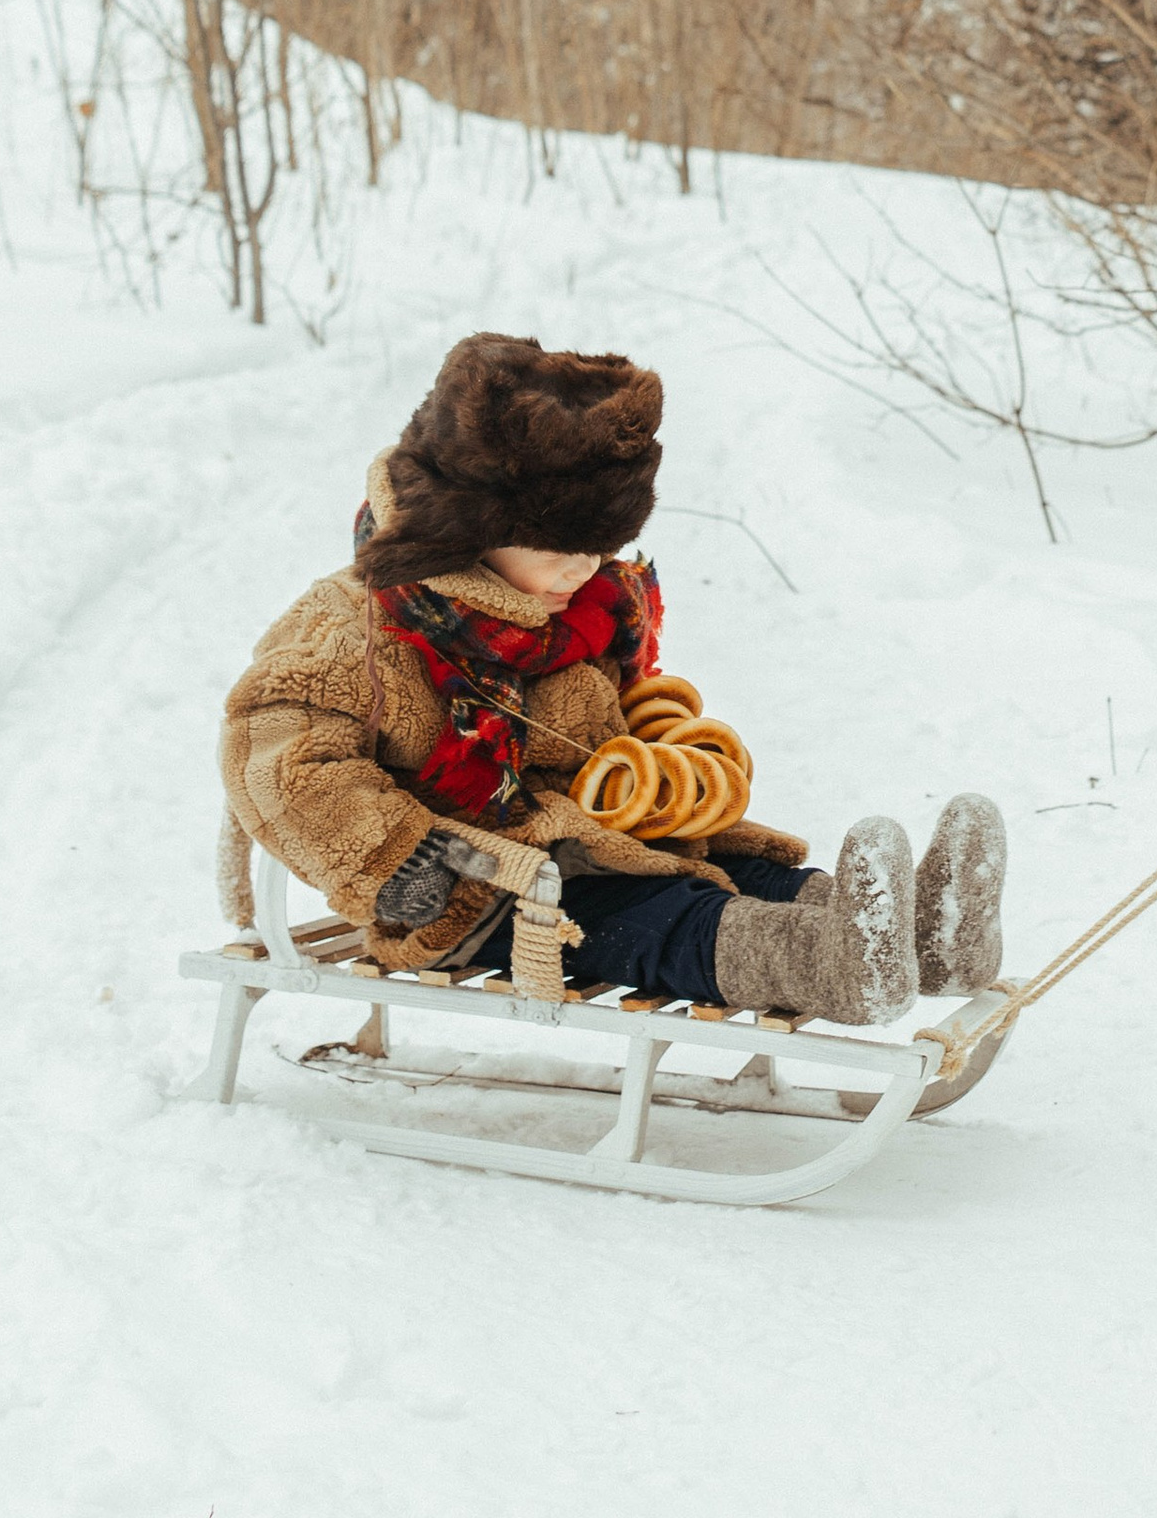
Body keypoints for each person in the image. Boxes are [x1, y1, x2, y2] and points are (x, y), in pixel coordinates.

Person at [217, 332, 1003, 1022]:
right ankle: (833, 966)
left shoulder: (571, 607)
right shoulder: (351, 629)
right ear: (473, 529)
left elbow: (617, 715)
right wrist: (395, 862)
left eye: (601, 546)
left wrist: (665, 770)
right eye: (562, 546)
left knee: (734, 866)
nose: (585, 570)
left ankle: (925, 937)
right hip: (479, 885)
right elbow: (279, 760)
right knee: (663, 914)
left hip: (589, 831)